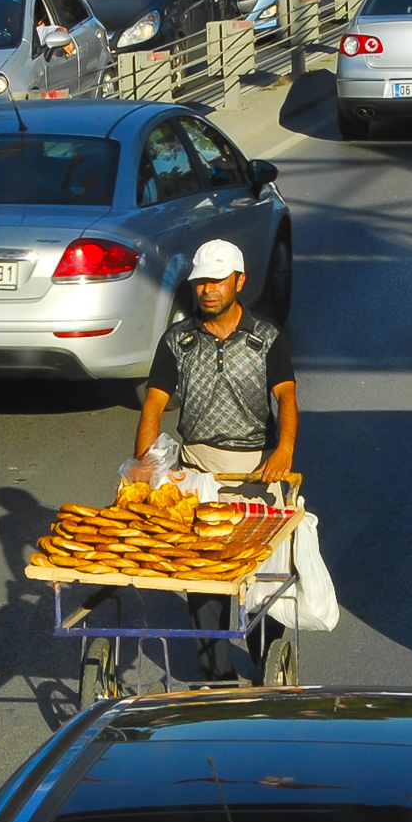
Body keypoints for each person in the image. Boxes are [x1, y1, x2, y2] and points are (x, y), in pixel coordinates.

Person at [135, 239, 298, 681]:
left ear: (239, 282)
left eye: (217, 281)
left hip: (255, 472)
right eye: (201, 282)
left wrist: (284, 451)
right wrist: (145, 469)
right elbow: (153, 405)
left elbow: (285, 397)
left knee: (263, 573)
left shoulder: (266, 338)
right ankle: (216, 675)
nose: (208, 290)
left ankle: (265, 659)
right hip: (198, 471)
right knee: (205, 576)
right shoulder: (178, 340)